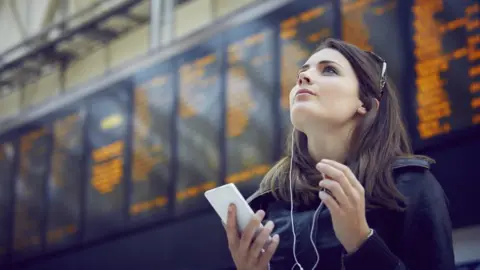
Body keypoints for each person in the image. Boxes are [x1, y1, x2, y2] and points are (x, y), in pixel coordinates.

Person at [224, 38, 456, 270]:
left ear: (364, 103)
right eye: (302, 73)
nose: (302, 78)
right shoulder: (268, 205)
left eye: (329, 70)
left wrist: (361, 241)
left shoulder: (410, 186)